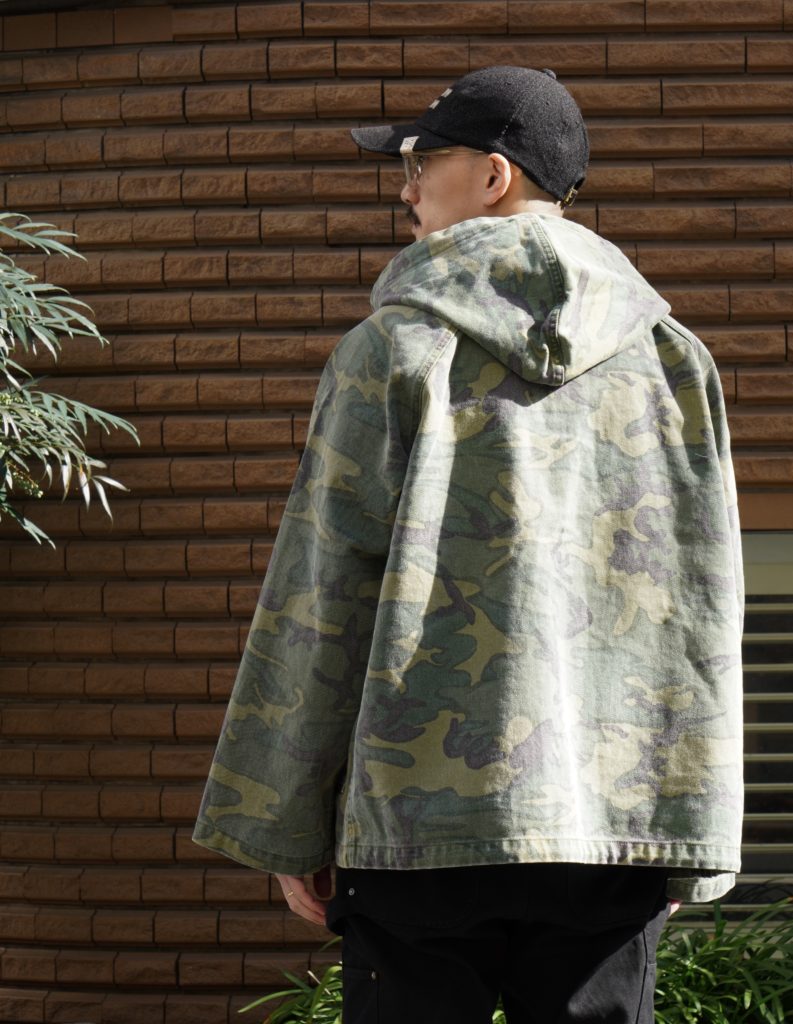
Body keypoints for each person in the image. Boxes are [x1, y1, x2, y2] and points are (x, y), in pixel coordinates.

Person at [194, 65, 744, 1024]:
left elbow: (321, 591)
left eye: (421, 162)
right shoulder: (672, 360)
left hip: (419, 824)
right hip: (607, 825)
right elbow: (702, 602)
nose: (405, 189)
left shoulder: (391, 351)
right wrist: (686, 825)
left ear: (494, 176)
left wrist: (287, 820)